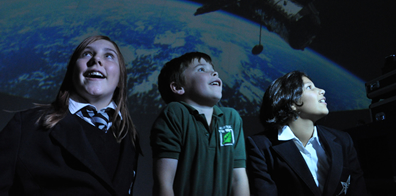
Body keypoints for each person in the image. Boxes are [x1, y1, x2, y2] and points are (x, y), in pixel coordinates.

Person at [0, 35, 140, 195]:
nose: (96, 60)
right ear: (72, 71)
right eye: (87, 54)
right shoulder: (27, 125)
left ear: (121, 78)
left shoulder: (130, 139)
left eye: (108, 55)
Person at [246, 71, 367, 196]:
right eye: (309, 87)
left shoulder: (343, 140)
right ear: (291, 103)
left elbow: (358, 190)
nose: (322, 91)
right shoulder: (261, 146)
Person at [150, 52, 249, 196]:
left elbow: (238, 179)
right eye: (202, 69)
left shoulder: (231, 118)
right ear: (178, 87)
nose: (214, 73)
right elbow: (164, 183)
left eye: (213, 69)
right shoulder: (175, 113)